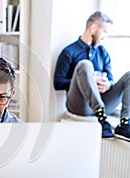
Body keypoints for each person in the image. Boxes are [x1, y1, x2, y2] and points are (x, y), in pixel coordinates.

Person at [53, 11, 130, 139]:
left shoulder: (103, 53)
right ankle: (101, 118)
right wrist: (86, 79)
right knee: (85, 64)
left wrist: (108, 84)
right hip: (80, 105)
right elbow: (58, 82)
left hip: (103, 102)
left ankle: (125, 123)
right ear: (93, 28)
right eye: (104, 31)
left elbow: (111, 79)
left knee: (129, 76)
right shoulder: (69, 51)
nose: (105, 36)